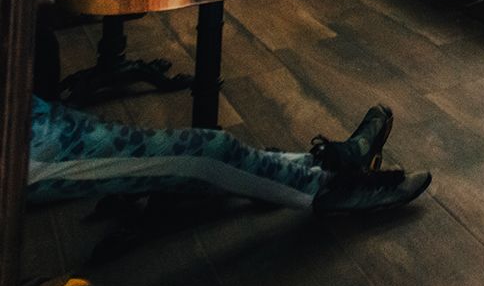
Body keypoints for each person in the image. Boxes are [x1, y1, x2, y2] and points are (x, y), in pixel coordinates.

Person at [27, 96, 432, 215]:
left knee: (206, 155)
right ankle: (326, 187)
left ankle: (324, 163)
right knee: (207, 153)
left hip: (31, 122)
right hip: (26, 149)